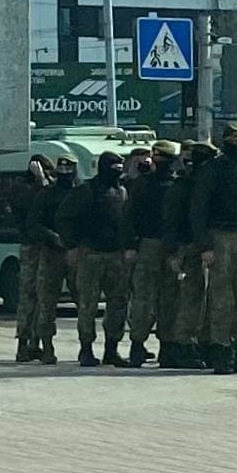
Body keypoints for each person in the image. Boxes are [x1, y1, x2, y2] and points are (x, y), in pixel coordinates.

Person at [190, 122, 237, 375]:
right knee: (222, 297)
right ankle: (221, 351)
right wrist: (205, 246)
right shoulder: (212, 169)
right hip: (221, 236)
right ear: (224, 140)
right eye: (231, 137)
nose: (236, 140)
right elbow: (198, 209)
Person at [56, 152, 131, 367]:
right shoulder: (85, 191)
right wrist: (71, 245)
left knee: (118, 303)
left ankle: (111, 348)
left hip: (116, 255)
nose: (116, 170)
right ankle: (86, 349)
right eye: (112, 166)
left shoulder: (122, 191)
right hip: (90, 254)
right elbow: (63, 218)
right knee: (87, 305)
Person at [124, 140, 180, 368]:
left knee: (167, 298)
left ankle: (163, 346)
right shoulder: (144, 185)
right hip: (150, 245)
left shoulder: (172, 185)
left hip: (167, 247)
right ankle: (140, 345)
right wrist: (130, 245)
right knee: (146, 298)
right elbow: (129, 216)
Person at [162, 141, 216, 370]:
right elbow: (171, 220)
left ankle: (196, 344)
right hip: (188, 247)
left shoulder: (203, 184)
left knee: (203, 299)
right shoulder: (185, 186)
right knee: (189, 299)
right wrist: (174, 251)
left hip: (203, 247)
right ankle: (182, 345)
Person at [27, 153, 78, 365]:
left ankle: (88, 348)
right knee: (46, 302)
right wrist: (51, 236)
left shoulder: (82, 193)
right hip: (51, 253)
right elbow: (34, 223)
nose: (65, 174)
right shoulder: (47, 194)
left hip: (76, 252)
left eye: (69, 170)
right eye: (62, 170)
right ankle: (46, 346)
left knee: (85, 302)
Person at [12, 155, 54, 362]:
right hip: (31, 246)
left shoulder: (47, 187)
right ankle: (23, 343)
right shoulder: (25, 189)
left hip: (45, 247)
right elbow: (32, 207)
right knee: (29, 295)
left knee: (43, 297)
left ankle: (37, 343)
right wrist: (40, 183)